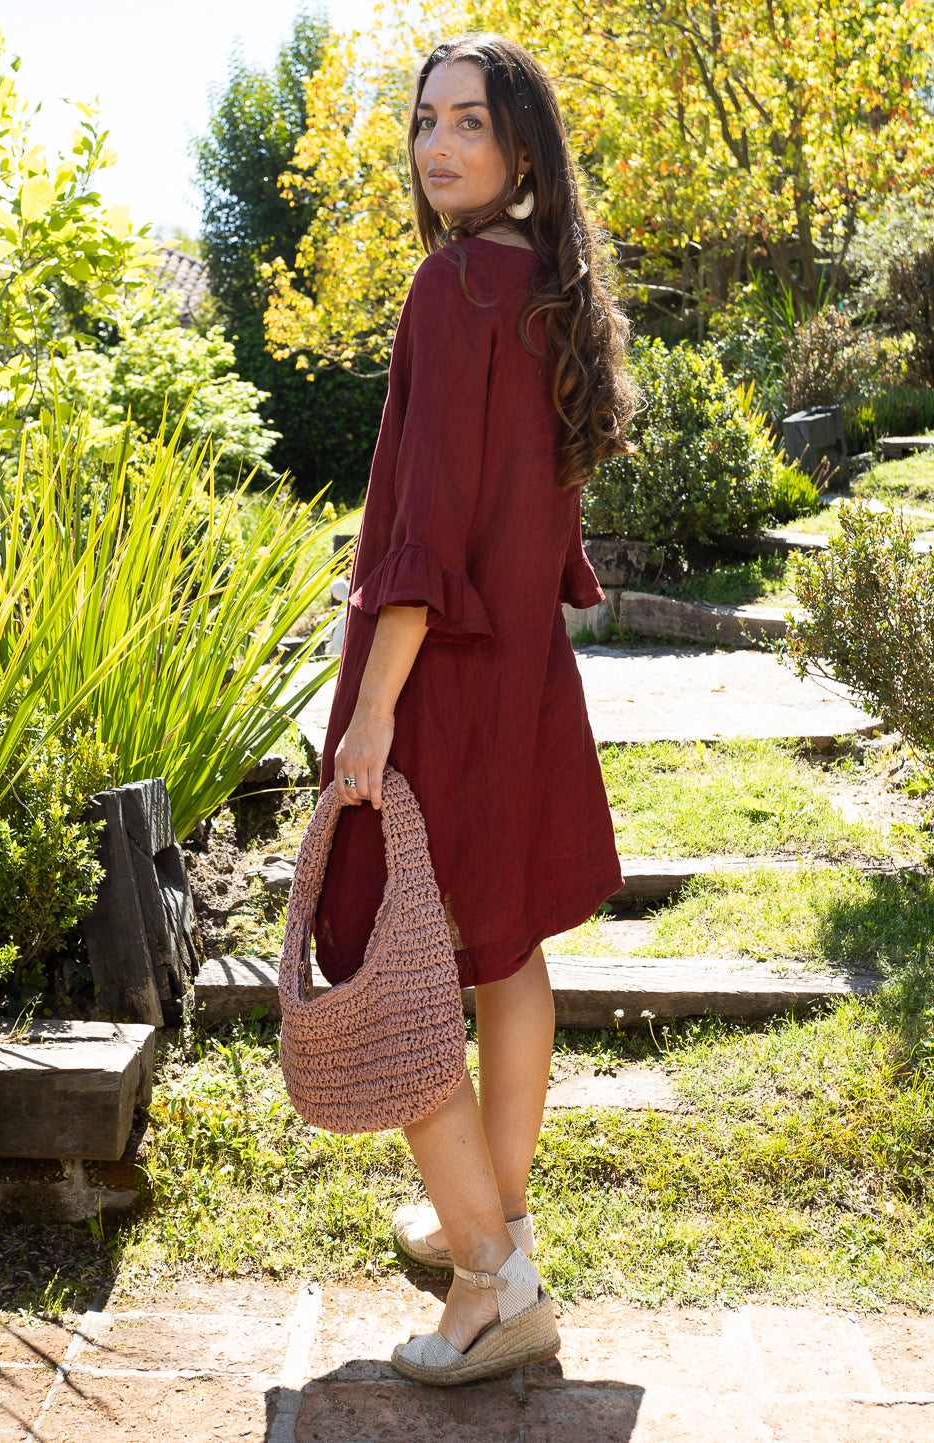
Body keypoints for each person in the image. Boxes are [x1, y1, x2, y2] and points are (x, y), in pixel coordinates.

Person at [314, 33, 635, 1385]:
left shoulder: (451, 288)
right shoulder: (550, 289)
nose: (437, 146)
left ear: (520, 149)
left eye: (469, 123)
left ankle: (490, 1282)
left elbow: (429, 526)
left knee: (377, 957)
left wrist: (372, 713)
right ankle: (496, 1222)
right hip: (522, 677)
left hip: (441, 678)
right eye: (425, 120)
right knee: (503, 948)